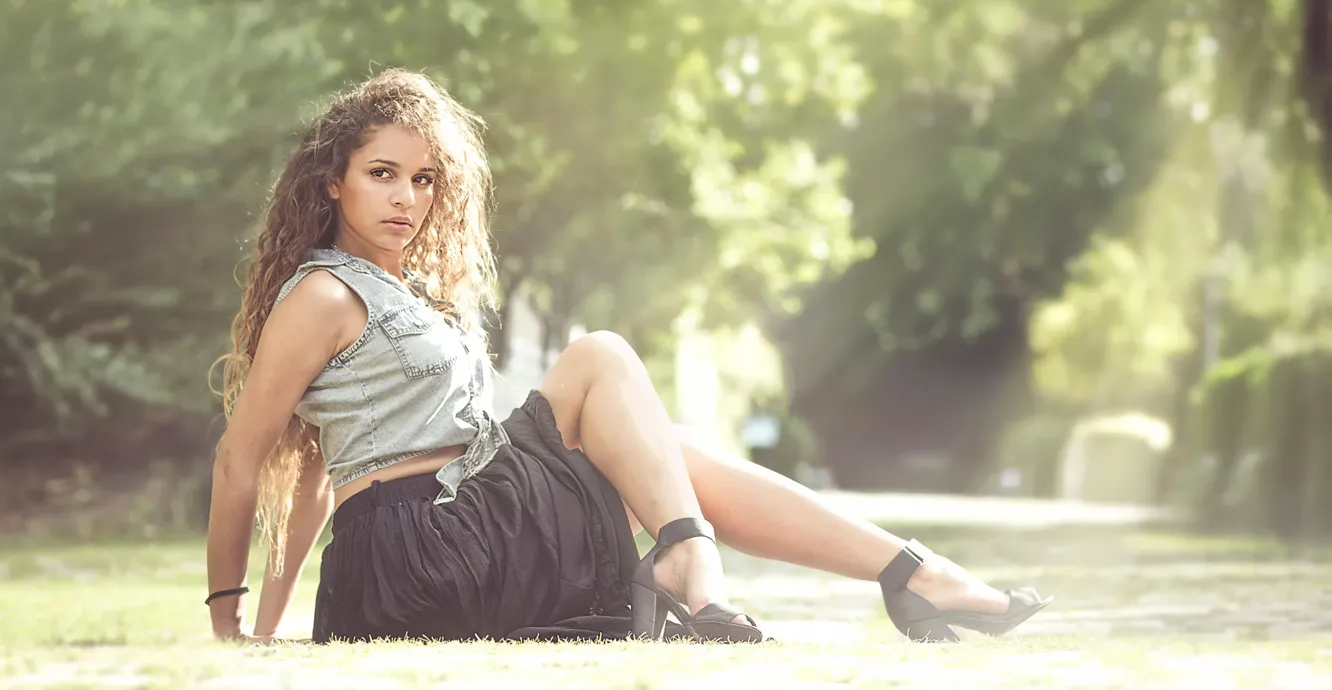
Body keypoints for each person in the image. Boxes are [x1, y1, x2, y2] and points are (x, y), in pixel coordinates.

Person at [205, 69, 1051, 645]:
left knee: (666, 458)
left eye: (425, 180)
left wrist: (278, 629)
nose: (406, 198)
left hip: (445, 547)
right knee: (601, 357)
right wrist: (231, 624)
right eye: (383, 174)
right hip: (432, 550)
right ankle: (707, 561)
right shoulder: (322, 293)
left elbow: (317, 473)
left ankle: (909, 571)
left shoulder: (406, 296)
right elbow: (250, 461)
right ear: (332, 183)